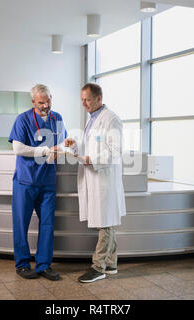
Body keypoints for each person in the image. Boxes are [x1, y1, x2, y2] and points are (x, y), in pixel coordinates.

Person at [8, 84, 69, 281]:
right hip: (25, 181)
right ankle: (23, 264)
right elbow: (17, 148)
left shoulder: (57, 118)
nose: (46, 105)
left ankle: (44, 265)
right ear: (33, 102)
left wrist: (67, 145)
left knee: (47, 224)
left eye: (48, 100)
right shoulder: (23, 119)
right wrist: (44, 150)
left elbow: (62, 142)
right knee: (21, 224)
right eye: (41, 102)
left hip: (47, 181)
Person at [69, 83, 126, 283]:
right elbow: (90, 146)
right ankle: (111, 263)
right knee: (106, 222)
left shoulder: (112, 120)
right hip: (94, 177)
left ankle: (98, 267)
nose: (84, 104)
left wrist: (91, 160)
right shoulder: (92, 119)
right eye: (82, 99)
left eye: (88, 100)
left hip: (104, 180)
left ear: (99, 98)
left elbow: (115, 151)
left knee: (105, 224)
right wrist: (75, 145)